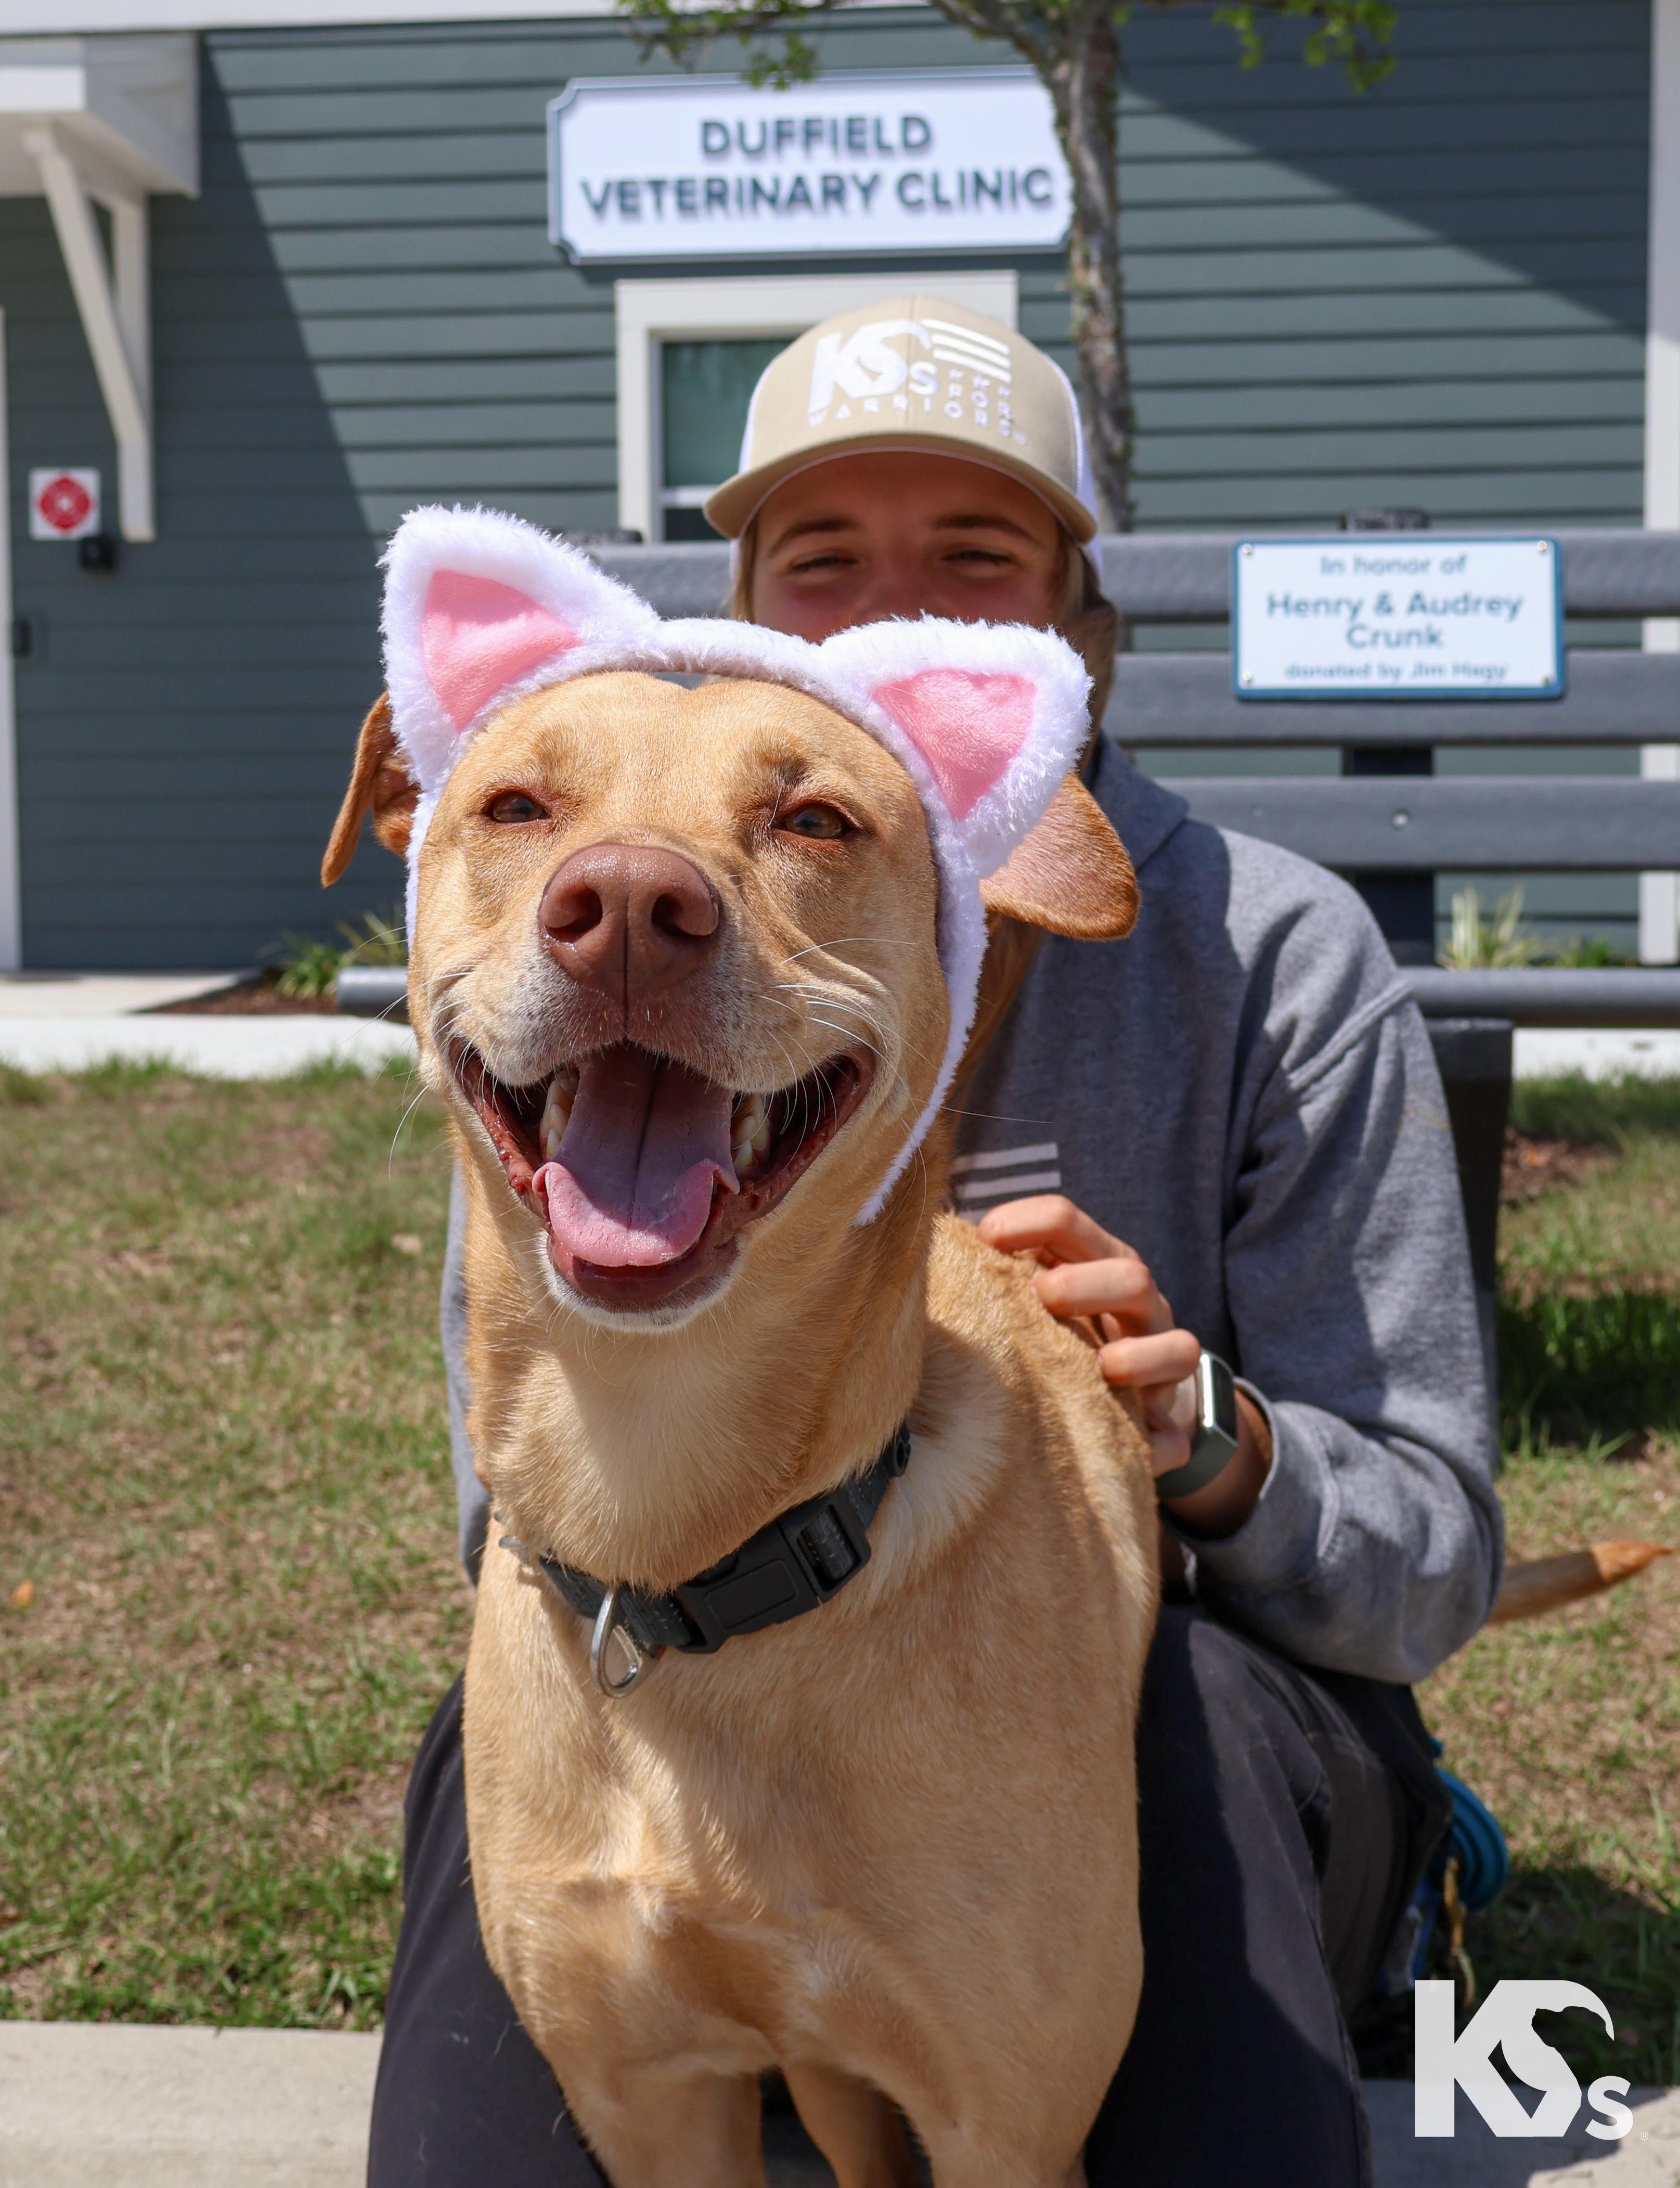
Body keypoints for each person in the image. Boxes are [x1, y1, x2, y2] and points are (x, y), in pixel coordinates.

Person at [367, 296, 1502, 2187]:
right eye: (822, 566)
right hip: (657, 1657)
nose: (898, 620)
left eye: (975, 562)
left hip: (1191, 1666)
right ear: (727, 613)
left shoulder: (1280, 955)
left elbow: (1437, 1566)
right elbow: (523, 1515)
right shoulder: (571, 1013)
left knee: (1226, 2098)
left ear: (1080, 642)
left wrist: (1205, 1442)